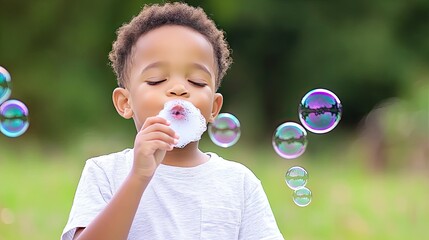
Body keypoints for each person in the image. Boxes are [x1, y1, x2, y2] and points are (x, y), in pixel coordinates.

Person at [61, 2, 284, 240]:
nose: (179, 89)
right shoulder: (105, 173)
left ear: (214, 108)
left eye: (197, 82)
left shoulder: (239, 183)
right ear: (125, 102)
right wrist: (138, 177)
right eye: (157, 80)